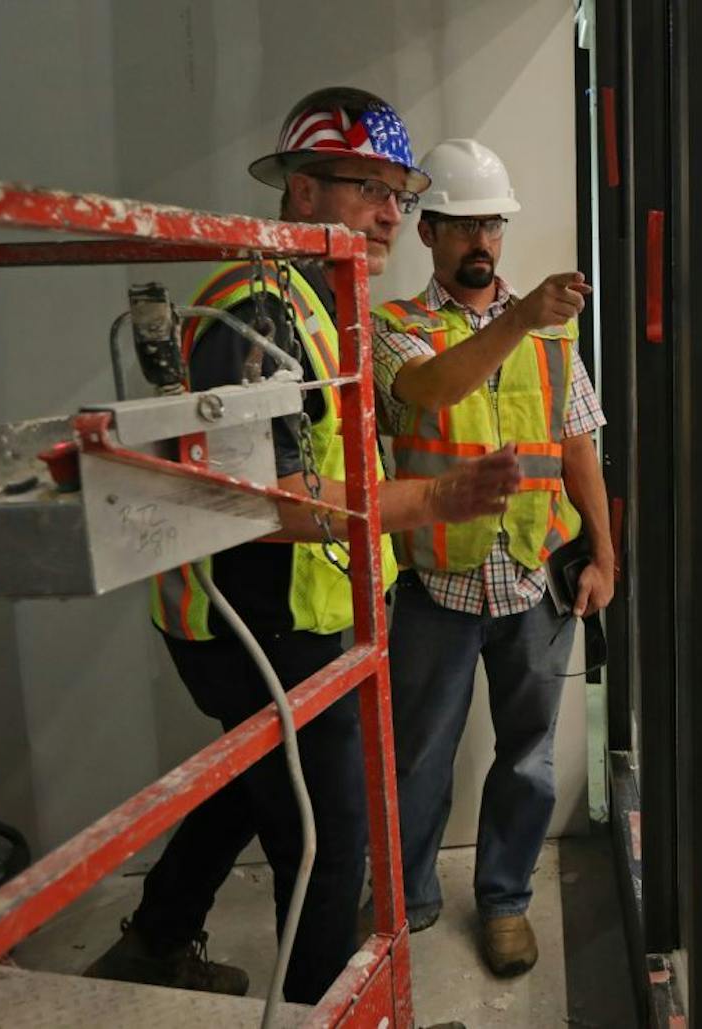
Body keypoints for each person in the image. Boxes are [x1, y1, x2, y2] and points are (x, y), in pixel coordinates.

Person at [84, 89, 520, 1005]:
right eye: (367, 188)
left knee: (251, 780)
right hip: (263, 622)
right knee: (328, 843)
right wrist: (436, 498)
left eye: (399, 196)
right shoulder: (259, 309)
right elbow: (274, 502)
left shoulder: (318, 297)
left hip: (295, 609)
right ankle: (332, 1008)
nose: (389, 215)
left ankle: (157, 937)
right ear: (303, 191)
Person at [371, 138, 613, 977]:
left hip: (535, 580)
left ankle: (506, 899)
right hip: (438, 584)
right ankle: (407, 900)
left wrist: (605, 559)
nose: (482, 242)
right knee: (417, 758)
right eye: (464, 226)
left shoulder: (551, 336)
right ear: (429, 232)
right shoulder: (394, 328)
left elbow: (580, 450)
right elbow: (429, 395)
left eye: (494, 226)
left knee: (528, 758)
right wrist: (518, 318)